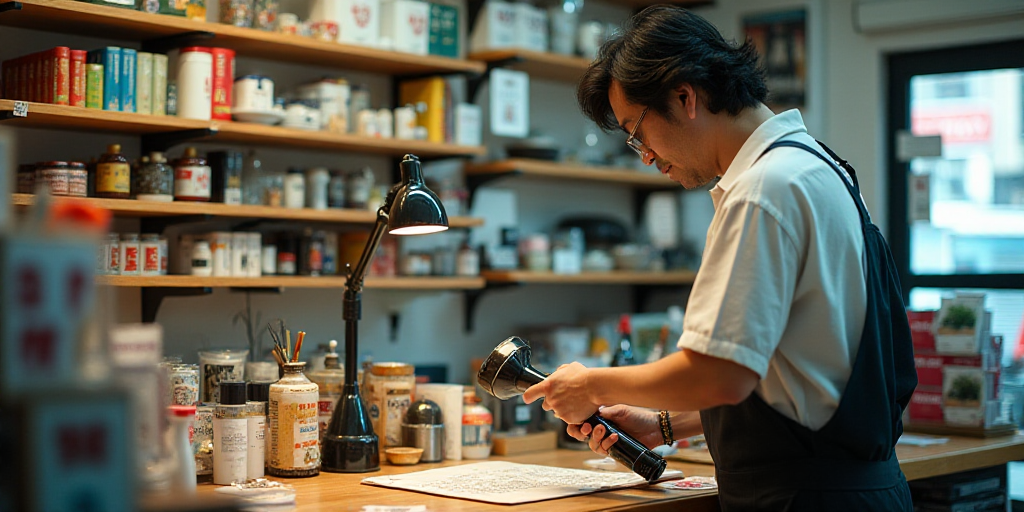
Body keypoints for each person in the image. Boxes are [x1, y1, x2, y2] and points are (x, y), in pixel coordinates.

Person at [521, 6, 918, 511]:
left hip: (807, 499)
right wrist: (663, 423)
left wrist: (590, 384)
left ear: (685, 96)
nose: (643, 154)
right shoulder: (818, 167)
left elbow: (719, 374)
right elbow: (787, 376)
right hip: (855, 490)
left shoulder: (763, 190)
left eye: (636, 131)